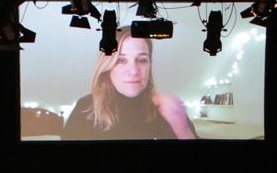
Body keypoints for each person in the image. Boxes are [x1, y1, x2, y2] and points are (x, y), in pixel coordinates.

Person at [61, 30, 198, 140]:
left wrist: (182, 130)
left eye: (142, 60)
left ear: (149, 65)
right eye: (121, 60)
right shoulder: (85, 109)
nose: (133, 71)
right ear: (108, 66)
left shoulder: (168, 111)